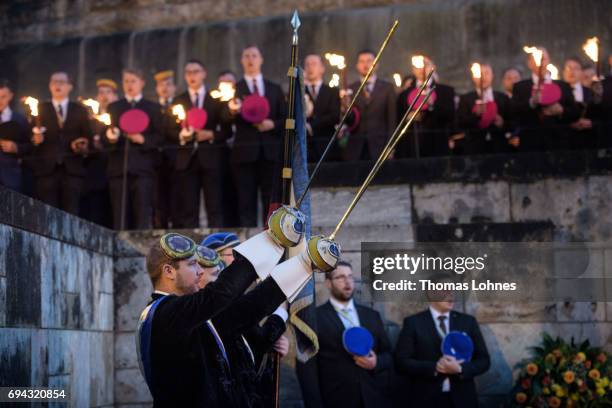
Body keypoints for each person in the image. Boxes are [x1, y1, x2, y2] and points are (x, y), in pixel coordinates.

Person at [137, 207, 338, 407]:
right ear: (169, 271)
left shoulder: (187, 317)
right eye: (191, 265)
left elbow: (250, 308)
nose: (199, 272)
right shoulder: (164, 313)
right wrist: (272, 239)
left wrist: (304, 264)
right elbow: (219, 294)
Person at [196, 243, 289, 408]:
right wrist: (280, 313)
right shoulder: (209, 311)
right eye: (230, 254)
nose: (236, 259)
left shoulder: (236, 295)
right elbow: (260, 338)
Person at [297, 260, 393, 408]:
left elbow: (388, 354)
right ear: (328, 283)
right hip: (336, 400)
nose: (347, 281)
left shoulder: (372, 315)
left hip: (374, 398)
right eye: (340, 277)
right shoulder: (314, 318)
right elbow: (307, 371)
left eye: (350, 276)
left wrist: (376, 362)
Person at [394, 280, 490, 408]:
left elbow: (484, 360)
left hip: (463, 399)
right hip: (426, 399)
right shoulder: (413, 323)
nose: (450, 294)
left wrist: (461, 369)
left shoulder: (468, 322)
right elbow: (401, 362)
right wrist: (435, 367)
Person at [167, 60, 231, 228]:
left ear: (203, 73)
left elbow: (227, 130)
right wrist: (183, 135)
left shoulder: (215, 100)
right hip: (186, 160)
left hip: (211, 159)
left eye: (196, 71)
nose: (192, 75)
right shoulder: (178, 100)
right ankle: (190, 250)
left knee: (214, 206)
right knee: (188, 208)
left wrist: (210, 134)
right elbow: (169, 130)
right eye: (188, 72)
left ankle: (217, 248)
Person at [229, 45, 287, 227]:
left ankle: (270, 238)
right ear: (242, 61)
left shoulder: (274, 88)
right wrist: (233, 111)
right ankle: (246, 242)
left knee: (270, 199)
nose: (250, 60)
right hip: (245, 153)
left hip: (269, 152)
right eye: (246, 56)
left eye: (254, 55)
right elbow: (223, 117)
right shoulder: (233, 89)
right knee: (245, 199)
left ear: (261, 59)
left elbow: (285, 118)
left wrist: (272, 124)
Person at [104, 68, 161, 230]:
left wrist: (143, 139)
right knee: (120, 216)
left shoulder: (153, 108)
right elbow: (104, 136)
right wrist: (111, 138)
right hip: (118, 169)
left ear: (142, 83)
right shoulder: (114, 107)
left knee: (142, 213)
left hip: (143, 169)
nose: (129, 85)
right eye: (126, 81)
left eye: (133, 81)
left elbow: (160, 137)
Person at [28, 71, 92, 215]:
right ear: (50, 86)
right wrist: (35, 139)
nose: (57, 85)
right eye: (54, 82)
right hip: (46, 168)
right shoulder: (40, 109)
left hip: (72, 168)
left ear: (70, 86)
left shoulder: (79, 110)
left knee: (71, 211)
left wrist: (81, 144)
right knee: (47, 212)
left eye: (61, 82)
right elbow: (30, 138)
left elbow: (88, 138)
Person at [511, 47, 579, 152]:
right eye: (538, 59)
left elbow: (575, 112)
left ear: (549, 61)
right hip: (531, 144)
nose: (541, 63)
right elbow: (514, 112)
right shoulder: (520, 87)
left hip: (559, 143)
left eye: (544, 59)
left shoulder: (563, 86)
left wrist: (561, 110)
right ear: (529, 63)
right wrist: (531, 102)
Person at [342, 49, 397, 161]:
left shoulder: (387, 88)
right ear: (357, 65)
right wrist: (346, 108)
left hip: (379, 145)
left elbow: (392, 120)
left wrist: (391, 146)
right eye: (361, 61)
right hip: (356, 147)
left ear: (376, 64)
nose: (365, 64)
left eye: (369, 61)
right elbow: (349, 122)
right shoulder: (350, 89)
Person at [396, 56, 455, 158]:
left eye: (426, 65)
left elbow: (451, 116)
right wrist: (408, 117)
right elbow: (398, 118)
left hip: (438, 145)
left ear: (433, 67)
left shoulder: (446, 91)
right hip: (413, 146)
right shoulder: (404, 94)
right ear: (413, 70)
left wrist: (432, 105)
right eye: (418, 66)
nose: (422, 69)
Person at [80, 78, 117, 227]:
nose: (104, 96)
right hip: (95, 173)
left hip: (113, 169)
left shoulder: (117, 116)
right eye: (101, 93)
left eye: (108, 92)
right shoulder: (90, 120)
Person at [457, 64, 511, 155]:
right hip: (474, 148)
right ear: (474, 77)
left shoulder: (503, 98)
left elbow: (512, 121)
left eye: (486, 73)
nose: (483, 77)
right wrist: (476, 115)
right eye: (480, 74)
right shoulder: (466, 99)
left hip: (499, 147)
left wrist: (502, 123)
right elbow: (460, 122)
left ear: (492, 76)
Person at [303, 54, 341, 163]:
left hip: (326, 145)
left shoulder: (332, 92)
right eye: (307, 65)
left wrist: (311, 126)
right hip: (305, 148)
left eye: (314, 64)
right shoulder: (298, 91)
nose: (310, 67)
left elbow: (334, 116)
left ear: (322, 68)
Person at [153, 70, 177, 229]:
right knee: (157, 197)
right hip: (156, 159)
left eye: (168, 84)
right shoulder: (153, 108)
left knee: (175, 194)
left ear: (174, 87)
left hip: (175, 158)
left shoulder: (179, 106)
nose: (165, 88)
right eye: (161, 85)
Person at [0, 78, 30, 192]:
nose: (0, 100)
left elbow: (29, 146)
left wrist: (16, 147)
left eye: (3, 96)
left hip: (10, 176)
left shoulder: (20, 119)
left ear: (10, 96)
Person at [562, 57, 596, 150]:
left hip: (588, 142)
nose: (572, 71)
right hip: (564, 143)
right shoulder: (558, 93)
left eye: (576, 68)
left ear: (581, 72)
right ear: (563, 72)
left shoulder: (590, 93)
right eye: (569, 68)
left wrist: (591, 123)